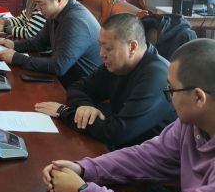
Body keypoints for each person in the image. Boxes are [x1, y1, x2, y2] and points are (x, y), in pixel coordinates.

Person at [41, 38, 215, 192]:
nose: (169, 98)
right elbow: (146, 157)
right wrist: (84, 168)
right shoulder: (189, 125)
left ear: (198, 97)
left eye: (171, 90)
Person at [35, 13, 177, 150]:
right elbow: (79, 87)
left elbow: (117, 133)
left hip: (148, 158)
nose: (101, 54)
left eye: (108, 48)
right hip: (122, 149)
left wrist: (64, 112)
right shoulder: (118, 63)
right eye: (100, 46)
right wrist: (85, 107)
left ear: (132, 47)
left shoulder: (157, 76)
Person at [0, 0, 101, 88]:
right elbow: (39, 42)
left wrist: (17, 58)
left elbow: (59, 66)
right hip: (64, 80)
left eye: (41, 3)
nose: (37, 8)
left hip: (83, 89)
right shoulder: (56, 13)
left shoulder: (75, 21)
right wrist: (13, 45)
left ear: (58, 0)